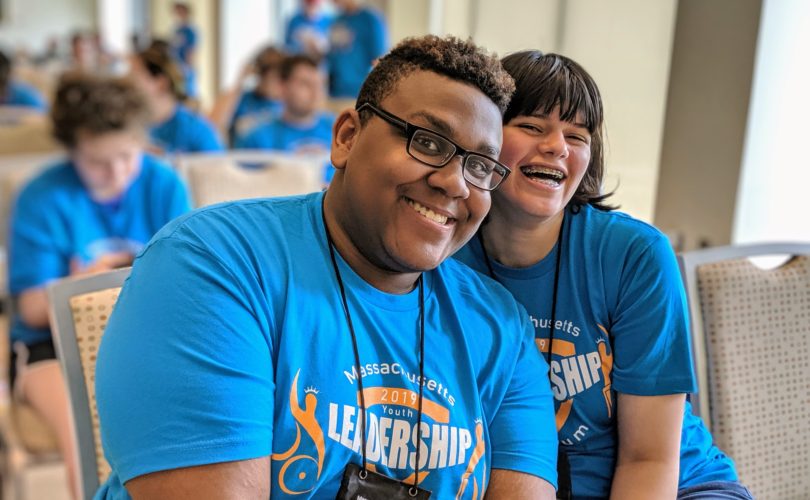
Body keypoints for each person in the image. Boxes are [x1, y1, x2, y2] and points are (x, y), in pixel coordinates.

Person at [95, 35, 559, 499]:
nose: (455, 183)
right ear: (346, 138)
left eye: (480, 166)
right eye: (429, 142)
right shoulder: (212, 265)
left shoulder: (501, 328)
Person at [454, 51, 754, 499]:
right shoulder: (445, 250)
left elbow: (649, 458)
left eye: (577, 135)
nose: (557, 146)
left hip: (678, 486)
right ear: (486, 139)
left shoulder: (635, 256)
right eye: (533, 126)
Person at [7, 73, 190, 500]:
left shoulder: (163, 183)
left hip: (150, 337)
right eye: (98, 163)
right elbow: (32, 309)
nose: (118, 173)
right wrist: (82, 286)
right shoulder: (41, 196)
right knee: (88, 441)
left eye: (128, 156)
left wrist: (92, 280)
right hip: (50, 349)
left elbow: (188, 283)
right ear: (72, 150)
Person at [235, 54, 335, 183]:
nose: (316, 92)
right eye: (305, 84)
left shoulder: (341, 131)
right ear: (282, 87)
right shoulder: (257, 138)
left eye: (320, 84)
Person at [129, 43, 223, 154]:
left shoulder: (196, 131)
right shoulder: (129, 125)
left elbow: (218, 168)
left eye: (133, 76)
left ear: (161, 83)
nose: (126, 82)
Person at [209, 46, 286, 145]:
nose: (275, 83)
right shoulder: (241, 99)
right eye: (271, 77)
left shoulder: (286, 104)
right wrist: (239, 81)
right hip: (243, 156)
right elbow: (212, 125)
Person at [327, 0, 388, 98]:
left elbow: (379, 59)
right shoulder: (336, 21)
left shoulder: (370, 20)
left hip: (359, 91)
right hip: (336, 90)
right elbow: (332, 56)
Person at [170, 2, 198, 98]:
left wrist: (187, 68)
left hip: (185, 69)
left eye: (179, 12)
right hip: (176, 67)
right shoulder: (176, 31)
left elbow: (191, 52)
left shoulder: (190, 32)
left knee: (188, 95)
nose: (177, 15)